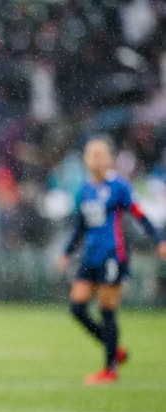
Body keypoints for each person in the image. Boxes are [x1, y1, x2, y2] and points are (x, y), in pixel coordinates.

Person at [57, 137, 166, 385]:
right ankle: (112, 347)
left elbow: (139, 214)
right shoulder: (84, 189)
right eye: (90, 154)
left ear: (107, 158)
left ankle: (110, 369)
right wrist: (66, 251)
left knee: (107, 311)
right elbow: (80, 226)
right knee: (77, 308)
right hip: (90, 256)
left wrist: (159, 240)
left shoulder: (118, 186)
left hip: (113, 256)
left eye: (99, 154)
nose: (94, 158)